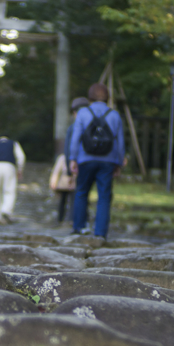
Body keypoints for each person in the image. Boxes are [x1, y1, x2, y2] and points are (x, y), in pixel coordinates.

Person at [69, 83, 125, 239]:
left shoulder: (83, 113)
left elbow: (76, 138)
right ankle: (100, 232)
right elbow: (120, 142)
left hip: (85, 159)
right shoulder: (114, 115)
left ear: (90, 97)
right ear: (107, 97)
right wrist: (118, 162)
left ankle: (79, 227)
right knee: (104, 196)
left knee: (81, 192)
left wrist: (73, 158)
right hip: (107, 161)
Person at [49, 97, 89, 224]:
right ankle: (81, 220)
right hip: (91, 163)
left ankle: (74, 221)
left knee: (77, 195)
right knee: (83, 194)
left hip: (76, 166)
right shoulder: (93, 125)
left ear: (74, 112)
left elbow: (67, 150)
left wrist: (68, 171)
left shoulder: (73, 127)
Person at [0, 135, 26, 224]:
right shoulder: (14, 143)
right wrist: (20, 170)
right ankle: (6, 210)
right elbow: (21, 157)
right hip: (10, 166)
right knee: (10, 190)